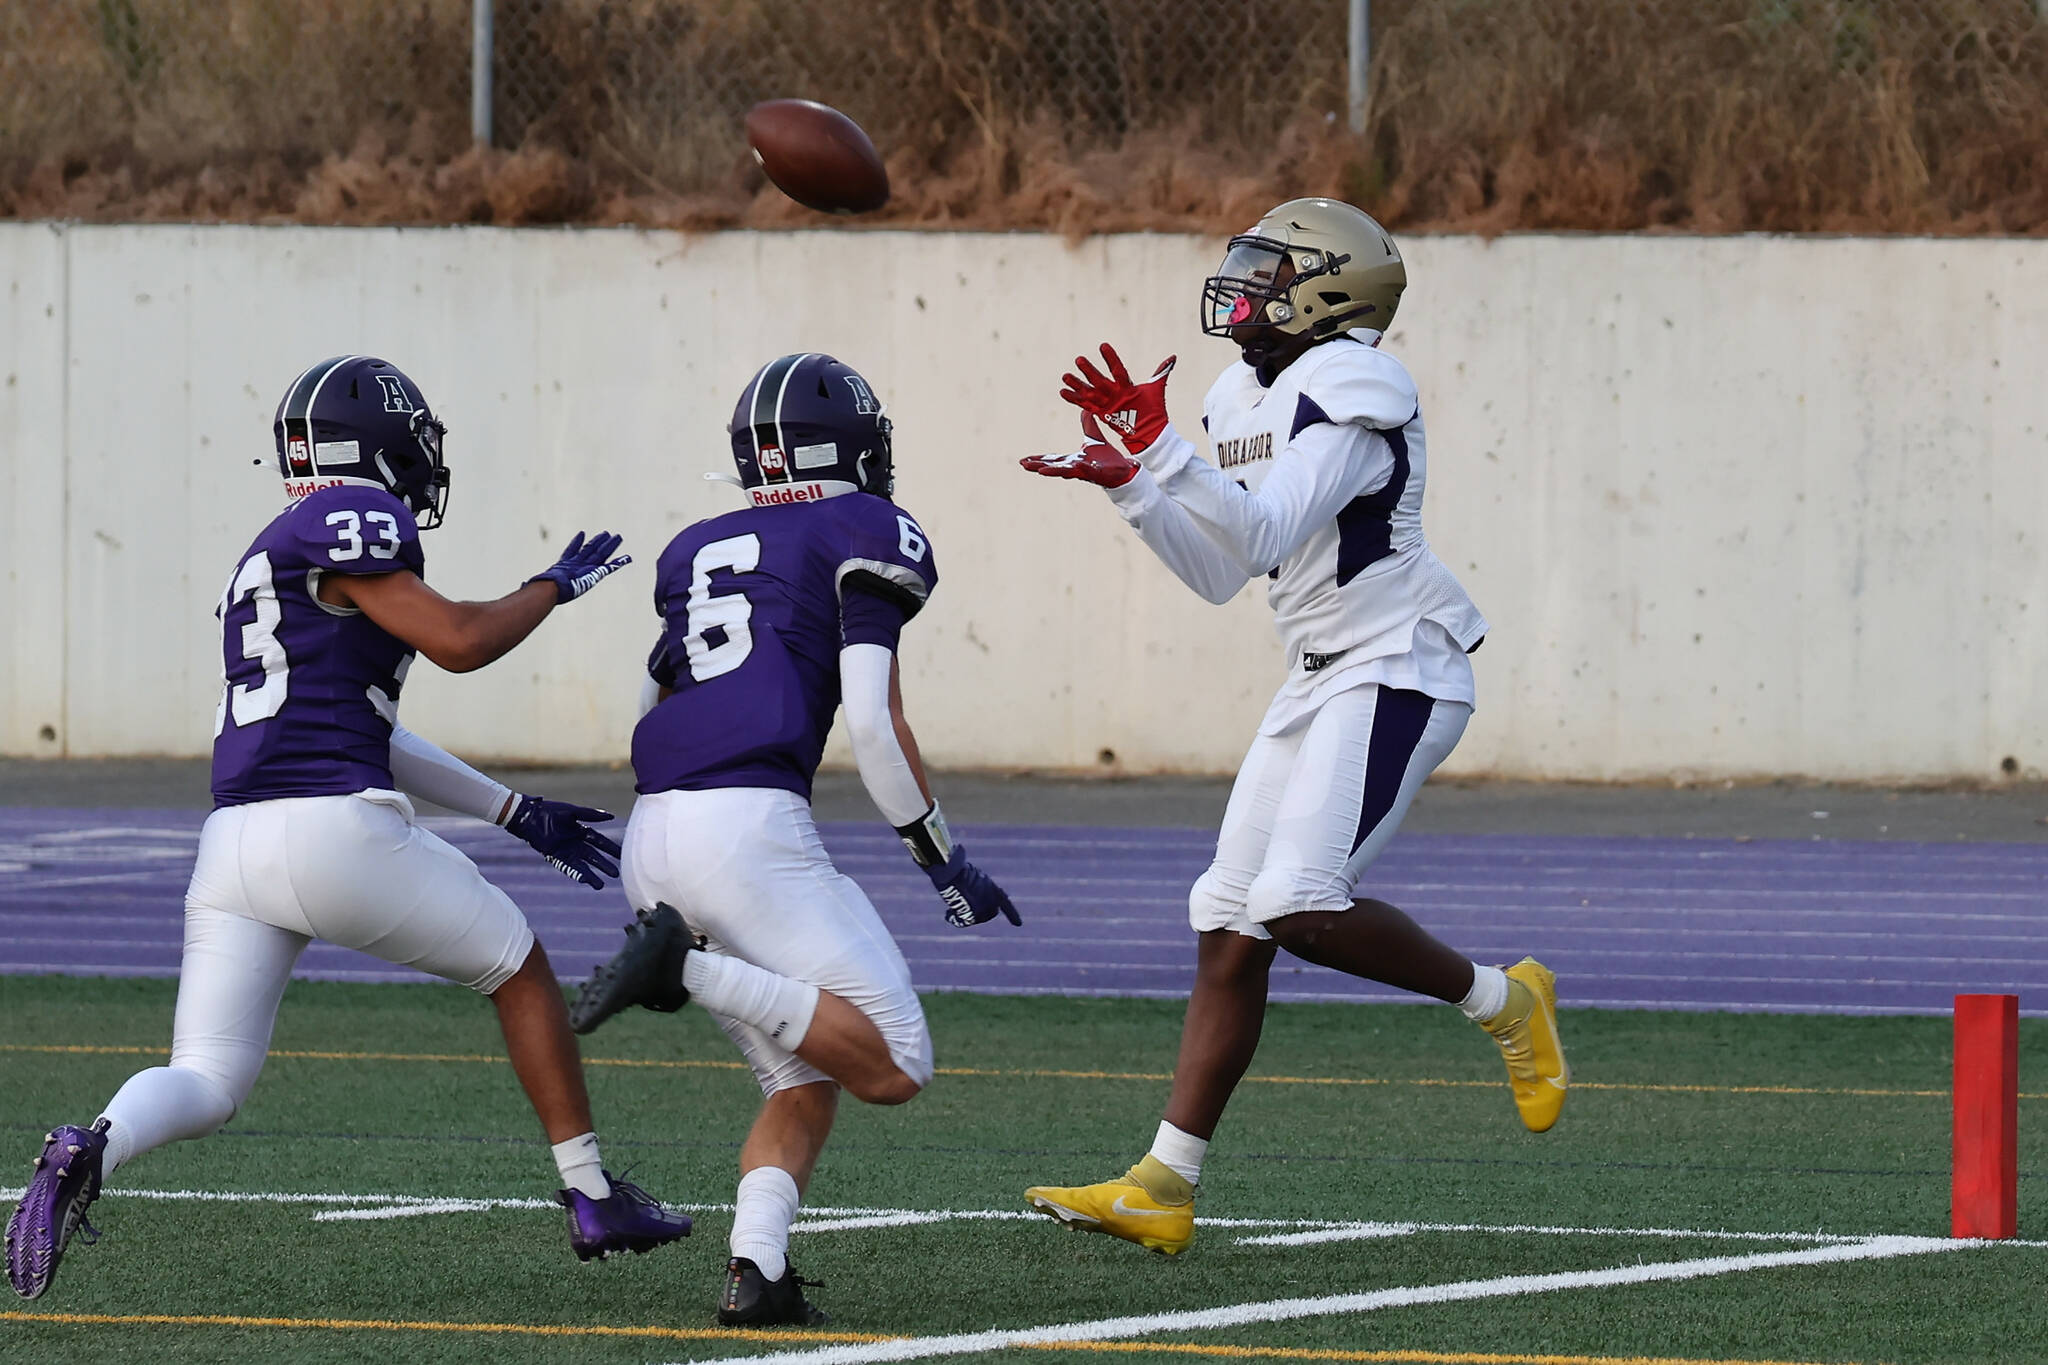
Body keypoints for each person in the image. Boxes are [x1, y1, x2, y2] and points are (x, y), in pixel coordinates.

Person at [5, 355, 691, 1301]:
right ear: (374, 447)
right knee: (518, 966)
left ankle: (91, 1145)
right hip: (334, 831)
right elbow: (458, 641)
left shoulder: (266, 551)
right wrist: (551, 587)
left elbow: (367, 724)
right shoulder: (351, 513)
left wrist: (515, 810)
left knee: (206, 1078)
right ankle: (592, 1194)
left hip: (234, 848)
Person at [1016, 199, 1567, 1256]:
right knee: (1229, 922)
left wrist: (1161, 451)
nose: (1244, 285)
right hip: (1314, 674)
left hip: (1398, 661)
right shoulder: (1240, 392)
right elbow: (1225, 570)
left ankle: (1505, 1002)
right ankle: (1163, 1185)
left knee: (1297, 901)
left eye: (1269, 270)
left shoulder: (1358, 381)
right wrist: (1135, 488)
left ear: (1328, 288)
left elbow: (1265, 527)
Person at [567, 352, 1020, 1326]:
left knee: (802, 1074)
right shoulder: (865, 529)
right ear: (849, 445)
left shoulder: (699, 545)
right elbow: (873, 723)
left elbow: (652, 701)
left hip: (658, 829)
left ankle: (756, 1270)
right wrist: (942, 860)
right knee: (895, 1060)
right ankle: (680, 968)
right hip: (745, 828)